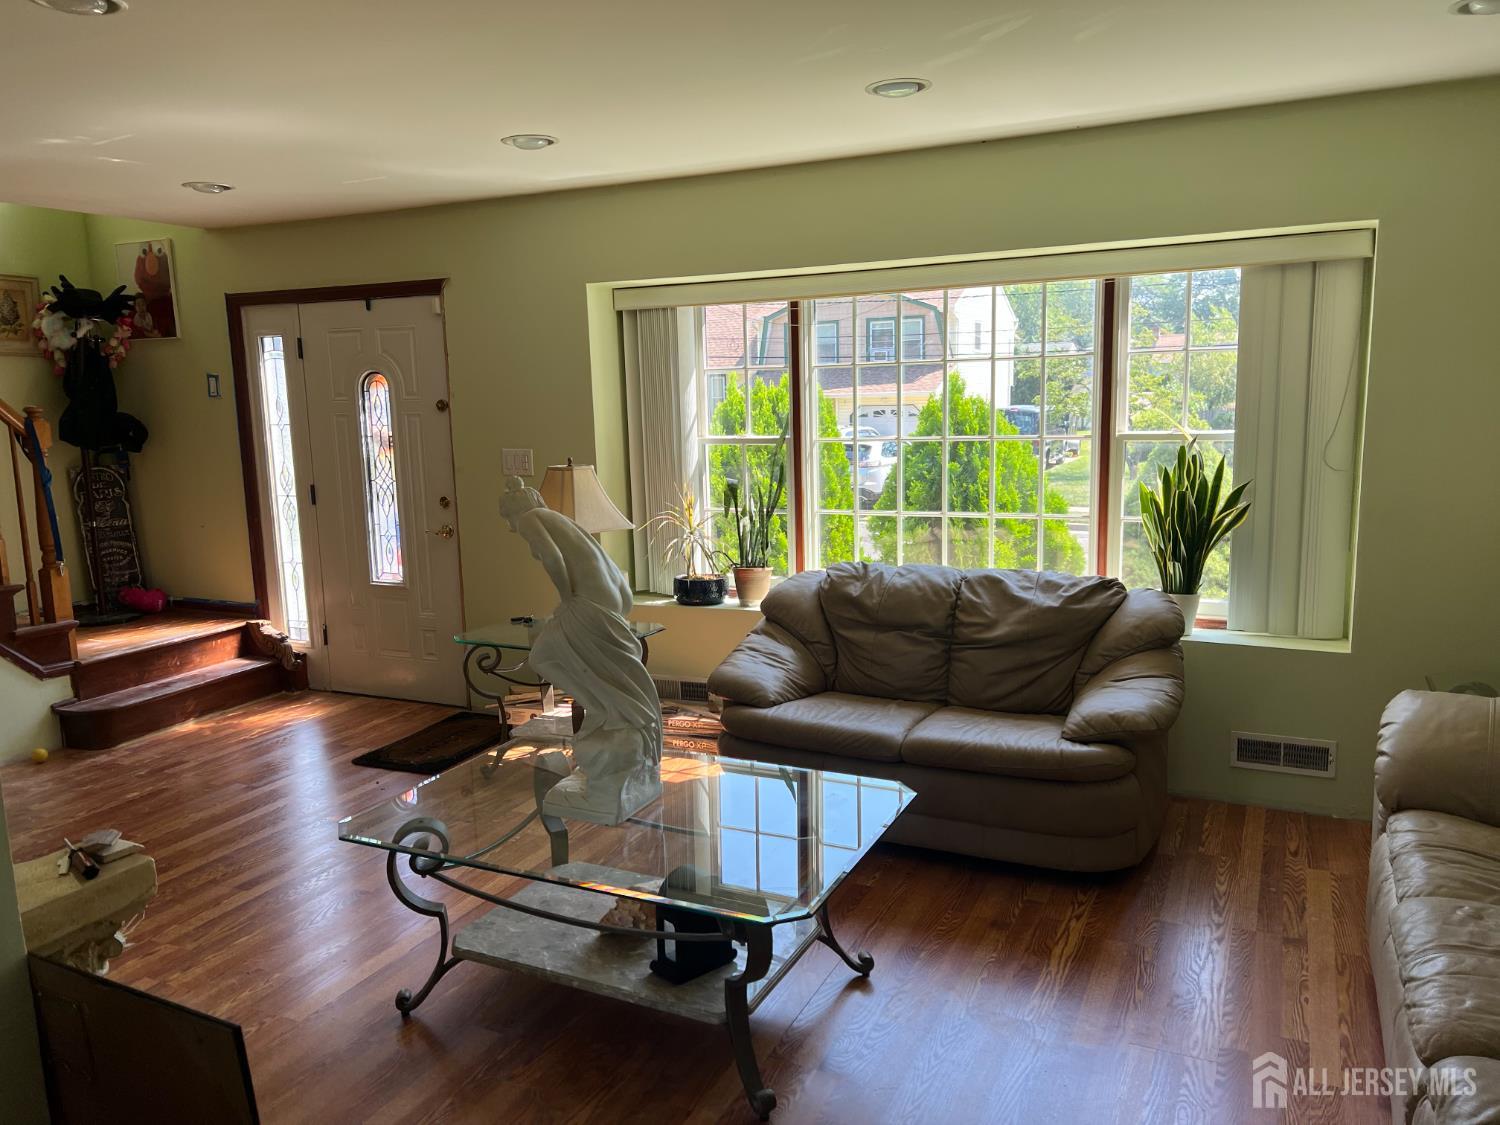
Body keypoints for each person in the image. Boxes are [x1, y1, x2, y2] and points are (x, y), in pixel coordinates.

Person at [499, 476, 662, 823]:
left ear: (516, 511)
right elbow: (605, 564)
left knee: (541, 656)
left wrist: (566, 600)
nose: (510, 528)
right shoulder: (559, 518)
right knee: (607, 670)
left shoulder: (531, 519)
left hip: (587, 602)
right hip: (613, 600)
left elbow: (552, 558)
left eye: (507, 519)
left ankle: (601, 708)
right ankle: (605, 711)